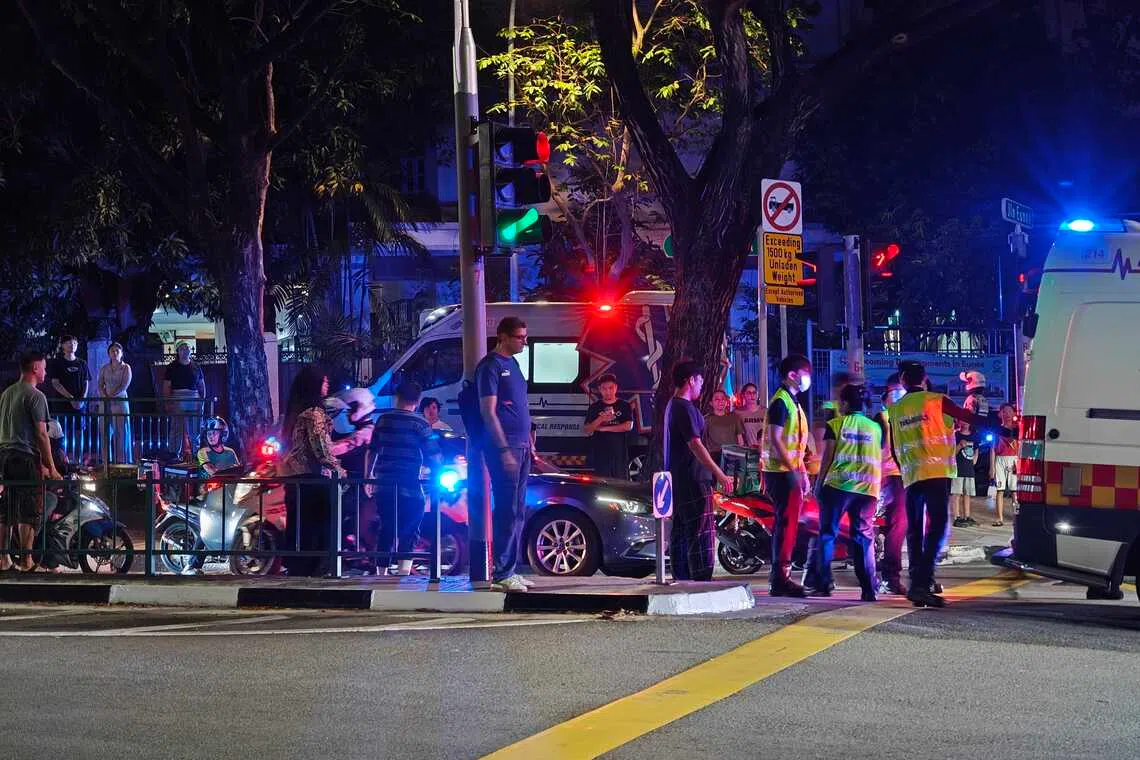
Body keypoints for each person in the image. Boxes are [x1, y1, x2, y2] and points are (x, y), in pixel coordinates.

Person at [888, 360, 1014, 607]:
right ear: (923, 379)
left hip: (912, 476)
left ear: (903, 379)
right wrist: (1006, 431)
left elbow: (895, 447)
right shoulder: (936, 400)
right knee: (937, 528)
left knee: (914, 530)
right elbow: (969, 418)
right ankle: (922, 583)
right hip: (936, 473)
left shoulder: (896, 409)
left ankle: (917, 583)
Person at [475, 317, 536, 592]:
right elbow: (489, 412)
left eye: (525, 336)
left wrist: (529, 443)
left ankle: (510, 568)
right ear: (503, 337)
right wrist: (503, 450)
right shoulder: (491, 366)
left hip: (521, 446)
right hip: (505, 448)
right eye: (520, 337)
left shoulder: (514, 365)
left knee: (518, 510)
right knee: (506, 510)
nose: (525, 341)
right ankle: (501, 573)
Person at [811, 384, 883, 601]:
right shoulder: (875, 428)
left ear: (844, 403)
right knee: (863, 538)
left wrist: (818, 484)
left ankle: (824, 584)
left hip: (838, 488)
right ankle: (869, 589)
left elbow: (828, 457)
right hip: (868, 490)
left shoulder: (836, 424)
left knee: (827, 535)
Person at [664, 360, 734, 581]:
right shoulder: (682, 408)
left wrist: (724, 370)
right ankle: (699, 579)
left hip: (682, 478)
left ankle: (682, 577)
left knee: (683, 532)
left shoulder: (674, 406)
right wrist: (720, 474)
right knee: (699, 532)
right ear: (690, 380)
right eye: (700, 380)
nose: (702, 385)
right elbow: (695, 445)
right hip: (693, 479)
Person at [366, 381, 442, 576]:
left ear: (397, 398)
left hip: (384, 484)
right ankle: (403, 572)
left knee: (387, 526)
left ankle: (381, 572)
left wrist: (369, 476)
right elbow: (433, 455)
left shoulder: (383, 420)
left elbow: (372, 451)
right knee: (411, 527)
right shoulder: (421, 423)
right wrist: (436, 472)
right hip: (411, 485)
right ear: (417, 402)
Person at [278, 365, 346, 577]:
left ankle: (299, 567)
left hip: (294, 478)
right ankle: (318, 567)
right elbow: (321, 448)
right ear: (314, 384)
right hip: (312, 478)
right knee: (318, 525)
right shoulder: (314, 414)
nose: (327, 385)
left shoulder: (294, 411)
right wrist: (339, 469)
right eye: (324, 381)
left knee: (299, 525)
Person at [0, 352, 62, 572]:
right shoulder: (36, 396)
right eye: (44, 367)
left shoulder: (6, 394)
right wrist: (51, 467)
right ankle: (26, 561)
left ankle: (3, 559)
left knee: (6, 509)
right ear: (35, 367)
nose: (45, 371)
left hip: (4, 455)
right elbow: (42, 435)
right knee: (29, 509)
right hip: (24, 457)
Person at [763, 354, 813, 597]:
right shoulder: (781, 402)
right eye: (805, 373)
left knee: (790, 526)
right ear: (792, 375)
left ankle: (782, 576)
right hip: (780, 473)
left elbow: (797, 445)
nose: (808, 378)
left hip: (789, 471)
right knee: (786, 526)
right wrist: (794, 471)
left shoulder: (793, 402)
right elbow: (775, 438)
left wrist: (801, 471)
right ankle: (781, 578)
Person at [875, 375, 908, 596]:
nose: (898, 397)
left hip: (906, 476)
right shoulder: (883, 419)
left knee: (897, 527)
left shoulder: (904, 417)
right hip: (891, 476)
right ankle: (890, 577)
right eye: (894, 392)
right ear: (885, 396)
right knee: (898, 525)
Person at [583, 373, 634, 479]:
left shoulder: (624, 405)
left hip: (620, 456)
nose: (608, 391)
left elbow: (628, 426)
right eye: (604, 389)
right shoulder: (595, 407)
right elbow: (587, 429)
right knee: (602, 487)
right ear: (599, 389)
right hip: (601, 456)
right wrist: (601, 418)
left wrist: (603, 428)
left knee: (620, 487)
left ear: (616, 387)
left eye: (611, 388)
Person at [162, 342, 206, 461]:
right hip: (177, 397)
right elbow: (167, 386)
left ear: (190, 351)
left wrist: (202, 401)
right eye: (182, 348)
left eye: (187, 348)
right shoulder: (171, 366)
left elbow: (201, 385)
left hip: (194, 398)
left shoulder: (196, 366)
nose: (185, 350)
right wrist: (167, 402)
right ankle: (174, 454)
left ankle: (196, 453)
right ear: (178, 351)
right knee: (176, 427)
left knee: (195, 428)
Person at [96, 342, 133, 464]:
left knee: (121, 432)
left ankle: (121, 461)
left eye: (117, 350)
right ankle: (106, 460)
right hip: (105, 402)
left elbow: (124, 385)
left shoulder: (126, 367)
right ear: (108, 353)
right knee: (105, 431)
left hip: (120, 401)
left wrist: (112, 396)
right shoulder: (104, 368)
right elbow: (100, 384)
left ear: (121, 353)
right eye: (112, 350)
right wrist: (104, 396)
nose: (115, 352)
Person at [992, 402, 1018, 527]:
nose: (1007, 414)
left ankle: (1017, 518)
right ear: (1000, 414)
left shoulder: (1018, 429)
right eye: (1004, 411)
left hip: (1014, 460)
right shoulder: (997, 430)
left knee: (1014, 491)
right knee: (1000, 490)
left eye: (1009, 411)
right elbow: (993, 449)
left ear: (1014, 413)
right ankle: (999, 518)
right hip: (1000, 460)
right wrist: (992, 467)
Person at [703, 388, 744, 464]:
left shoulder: (735, 418)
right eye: (717, 399)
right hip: (714, 457)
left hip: (732, 455)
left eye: (723, 399)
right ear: (711, 403)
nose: (720, 401)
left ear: (726, 402)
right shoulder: (707, 420)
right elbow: (703, 440)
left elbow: (740, 440)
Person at [951, 424, 978, 527]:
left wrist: (975, 458)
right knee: (956, 493)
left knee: (967, 493)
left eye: (967, 421)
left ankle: (967, 516)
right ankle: (957, 517)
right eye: (963, 420)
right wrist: (959, 446)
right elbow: (951, 453)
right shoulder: (955, 435)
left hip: (969, 469)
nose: (965, 423)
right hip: (958, 469)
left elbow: (976, 449)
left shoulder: (974, 436)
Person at [736, 383, 766, 451]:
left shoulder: (766, 412)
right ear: (743, 395)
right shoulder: (737, 413)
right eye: (749, 393)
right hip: (747, 452)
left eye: (754, 393)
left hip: (764, 452)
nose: (752, 395)